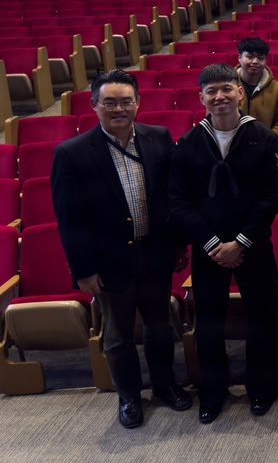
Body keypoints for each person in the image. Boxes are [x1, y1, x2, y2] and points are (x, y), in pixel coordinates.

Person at [51, 70, 191, 429]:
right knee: (117, 335)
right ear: (93, 104)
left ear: (138, 103)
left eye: (126, 101)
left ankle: (165, 385)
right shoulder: (72, 153)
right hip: (109, 262)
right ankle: (128, 395)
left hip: (155, 252)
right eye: (109, 102)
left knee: (160, 328)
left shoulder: (159, 138)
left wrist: (178, 244)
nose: (118, 109)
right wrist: (83, 269)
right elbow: (70, 219)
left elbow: (172, 198)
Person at [169, 64, 278, 424]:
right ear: (200, 97)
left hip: (253, 245)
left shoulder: (263, 138)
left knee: (263, 319)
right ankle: (213, 393)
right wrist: (211, 243)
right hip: (209, 251)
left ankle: (263, 388)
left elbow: (271, 197)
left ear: (239, 91)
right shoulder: (188, 143)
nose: (219, 96)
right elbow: (179, 201)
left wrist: (241, 241)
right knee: (208, 324)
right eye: (211, 91)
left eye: (225, 89)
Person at [236, 36, 278, 145]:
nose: (255, 62)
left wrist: (269, 148)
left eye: (260, 58)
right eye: (250, 57)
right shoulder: (226, 88)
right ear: (240, 57)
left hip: (265, 151)